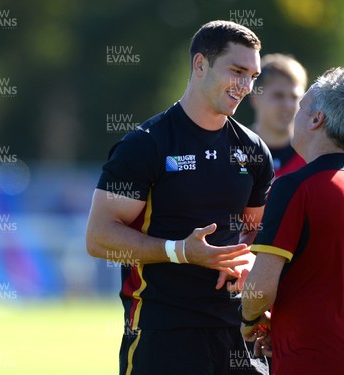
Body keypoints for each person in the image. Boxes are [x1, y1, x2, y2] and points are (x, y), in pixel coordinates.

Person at [86, 20, 274, 375]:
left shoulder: (253, 151)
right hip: (163, 329)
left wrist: (249, 262)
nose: (246, 86)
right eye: (236, 71)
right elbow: (98, 237)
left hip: (234, 330)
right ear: (200, 64)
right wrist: (181, 251)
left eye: (253, 75)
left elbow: (255, 235)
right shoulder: (146, 143)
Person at [239, 67, 344, 375]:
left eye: (301, 107)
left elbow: (259, 290)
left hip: (306, 363)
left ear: (317, 120)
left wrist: (251, 320)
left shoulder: (293, 188)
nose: (294, 114)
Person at [249, 54, 307, 177]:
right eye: (278, 96)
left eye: (294, 97)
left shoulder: (311, 156)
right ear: (255, 98)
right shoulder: (235, 151)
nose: (288, 105)